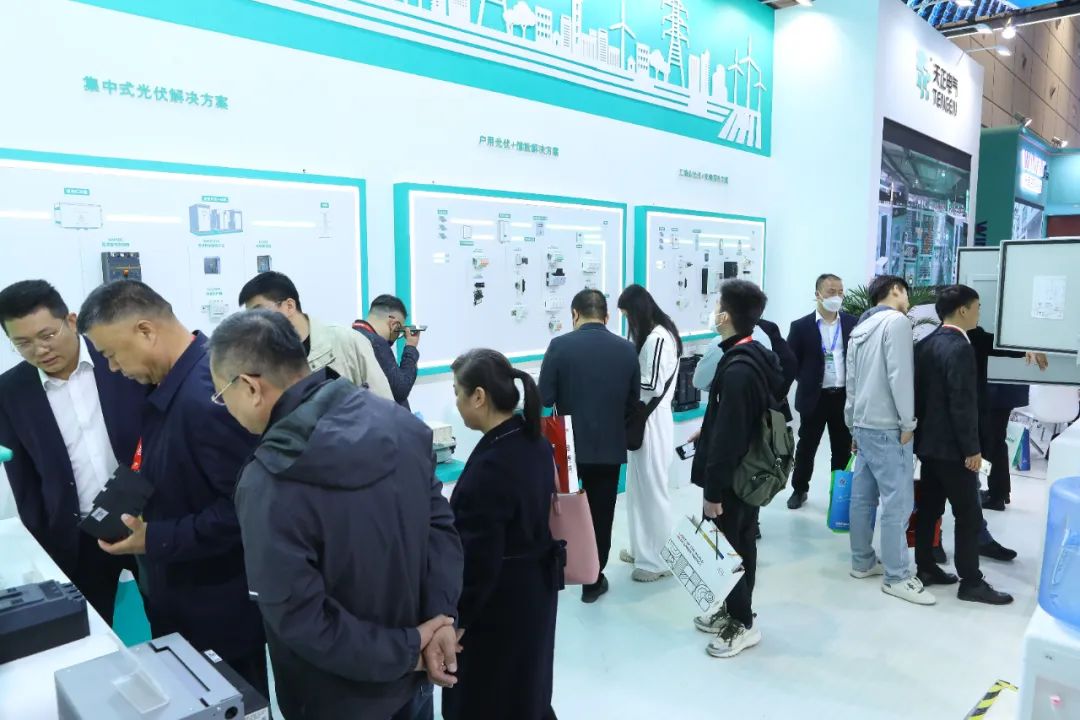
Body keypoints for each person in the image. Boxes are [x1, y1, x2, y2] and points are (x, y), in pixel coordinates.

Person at [207, 310, 464, 720]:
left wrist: (409, 646)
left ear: (251, 387)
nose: (225, 408)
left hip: (336, 697)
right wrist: (440, 620)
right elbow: (442, 531)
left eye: (222, 395)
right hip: (417, 678)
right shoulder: (398, 423)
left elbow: (301, 618)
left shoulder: (269, 479)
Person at [76, 280, 268, 695]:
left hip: (218, 610)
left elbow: (247, 510)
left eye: (111, 354)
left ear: (146, 331)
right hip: (179, 592)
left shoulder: (209, 396)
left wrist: (155, 537)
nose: (112, 368)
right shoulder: (166, 385)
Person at [0, 280, 145, 624]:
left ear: (71, 321)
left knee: (169, 618)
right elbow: (23, 480)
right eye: (23, 343)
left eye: (47, 335)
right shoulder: (10, 391)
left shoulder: (116, 359)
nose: (40, 350)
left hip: (146, 520)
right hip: (77, 538)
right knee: (88, 630)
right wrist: (46, 542)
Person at [443, 349, 561, 720]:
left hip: (501, 604)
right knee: (527, 686)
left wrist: (457, 621)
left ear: (478, 396)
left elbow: (480, 562)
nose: (457, 402)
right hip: (534, 591)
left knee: (491, 694)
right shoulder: (532, 440)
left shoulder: (492, 466)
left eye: (458, 393)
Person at [690, 280, 783, 658]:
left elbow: (729, 439)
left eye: (717, 307)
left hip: (732, 478)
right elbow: (740, 418)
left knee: (726, 549)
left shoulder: (737, 369)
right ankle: (733, 610)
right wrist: (709, 427)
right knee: (739, 543)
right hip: (751, 472)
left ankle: (742, 623)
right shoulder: (754, 354)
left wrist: (712, 492)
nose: (714, 312)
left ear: (725, 317)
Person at [913, 285, 1013, 605]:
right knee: (969, 515)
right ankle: (971, 582)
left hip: (929, 444)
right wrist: (972, 450)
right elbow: (962, 403)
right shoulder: (959, 348)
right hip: (955, 449)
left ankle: (925, 567)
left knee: (929, 508)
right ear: (963, 310)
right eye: (977, 307)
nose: (979, 313)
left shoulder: (927, 343)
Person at [538, 289, 639, 602]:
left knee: (563, 510)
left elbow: (544, 398)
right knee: (601, 515)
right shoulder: (627, 350)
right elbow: (632, 402)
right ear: (606, 316)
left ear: (574, 314)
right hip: (609, 446)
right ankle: (593, 580)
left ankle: (560, 570)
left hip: (566, 445)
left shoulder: (559, 346)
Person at [845, 275, 934, 606]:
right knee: (898, 503)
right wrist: (908, 421)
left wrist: (852, 425)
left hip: (864, 424)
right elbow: (900, 375)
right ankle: (897, 576)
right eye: (906, 293)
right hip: (888, 427)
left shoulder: (860, 328)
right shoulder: (896, 322)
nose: (908, 300)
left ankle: (862, 561)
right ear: (895, 291)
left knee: (862, 498)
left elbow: (851, 383)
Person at [238, 271, 393, 401]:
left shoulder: (346, 341)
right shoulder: (265, 359)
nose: (255, 322)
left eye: (259, 312)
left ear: (289, 306)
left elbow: (385, 404)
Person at [617, 285, 680, 583]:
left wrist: (619, 384)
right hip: (649, 419)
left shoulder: (657, 338)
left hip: (651, 420)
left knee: (652, 491)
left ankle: (658, 560)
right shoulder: (662, 334)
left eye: (627, 315)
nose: (628, 321)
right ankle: (642, 549)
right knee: (638, 490)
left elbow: (651, 384)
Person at [786, 274, 858, 510]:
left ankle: (839, 494)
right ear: (817, 294)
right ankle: (799, 489)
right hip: (814, 397)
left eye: (840, 291)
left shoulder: (852, 323)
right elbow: (791, 362)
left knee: (842, 448)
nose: (837, 296)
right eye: (831, 291)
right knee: (807, 447)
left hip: (843, 397)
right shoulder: (800, 327)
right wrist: (808, 379)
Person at [969, 327, 1048, 512]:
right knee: (993, 443)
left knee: (990, 444)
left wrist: (1026, 349)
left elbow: (995, 345)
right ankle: (999, 492)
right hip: (999, 391)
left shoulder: (974, 332)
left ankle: (997, 494)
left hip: (994, 393)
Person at [352, 294, 421, 408]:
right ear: (394, 324)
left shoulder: (355, 335)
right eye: (399, 330)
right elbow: (401, 389)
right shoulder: (376, 343)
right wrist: (411, 346)